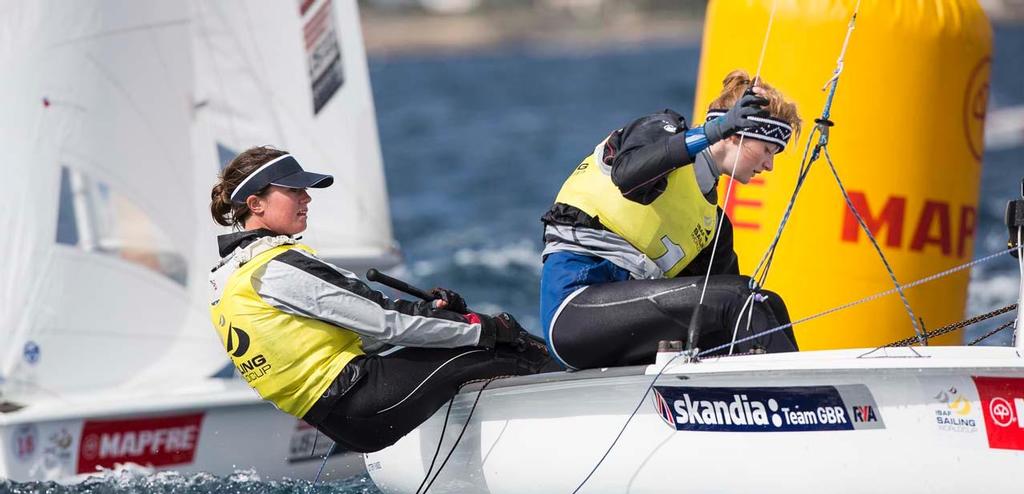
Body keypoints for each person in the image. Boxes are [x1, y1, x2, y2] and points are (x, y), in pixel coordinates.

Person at [209, 146, 550, 453]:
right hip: (361, 400)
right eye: (294, 190)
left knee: (463, 343)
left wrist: (429, 312)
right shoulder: (279, 267)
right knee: (508, 345)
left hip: (340, 418)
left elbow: (359, 331)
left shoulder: (229, 278)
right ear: (255, 203)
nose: (307, 198)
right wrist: (484, 330)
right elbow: (387, 323)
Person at [539, 70, 803, 369]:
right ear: (732, 134)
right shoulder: (660, 130)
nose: (768, 165)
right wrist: (713, 130)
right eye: (767, 150)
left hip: (629, 329)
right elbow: (629, 176)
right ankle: (808, 400)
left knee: (761, 301)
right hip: (574, 312)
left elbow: (719, 300)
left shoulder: (713, 224)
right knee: (738, 300)